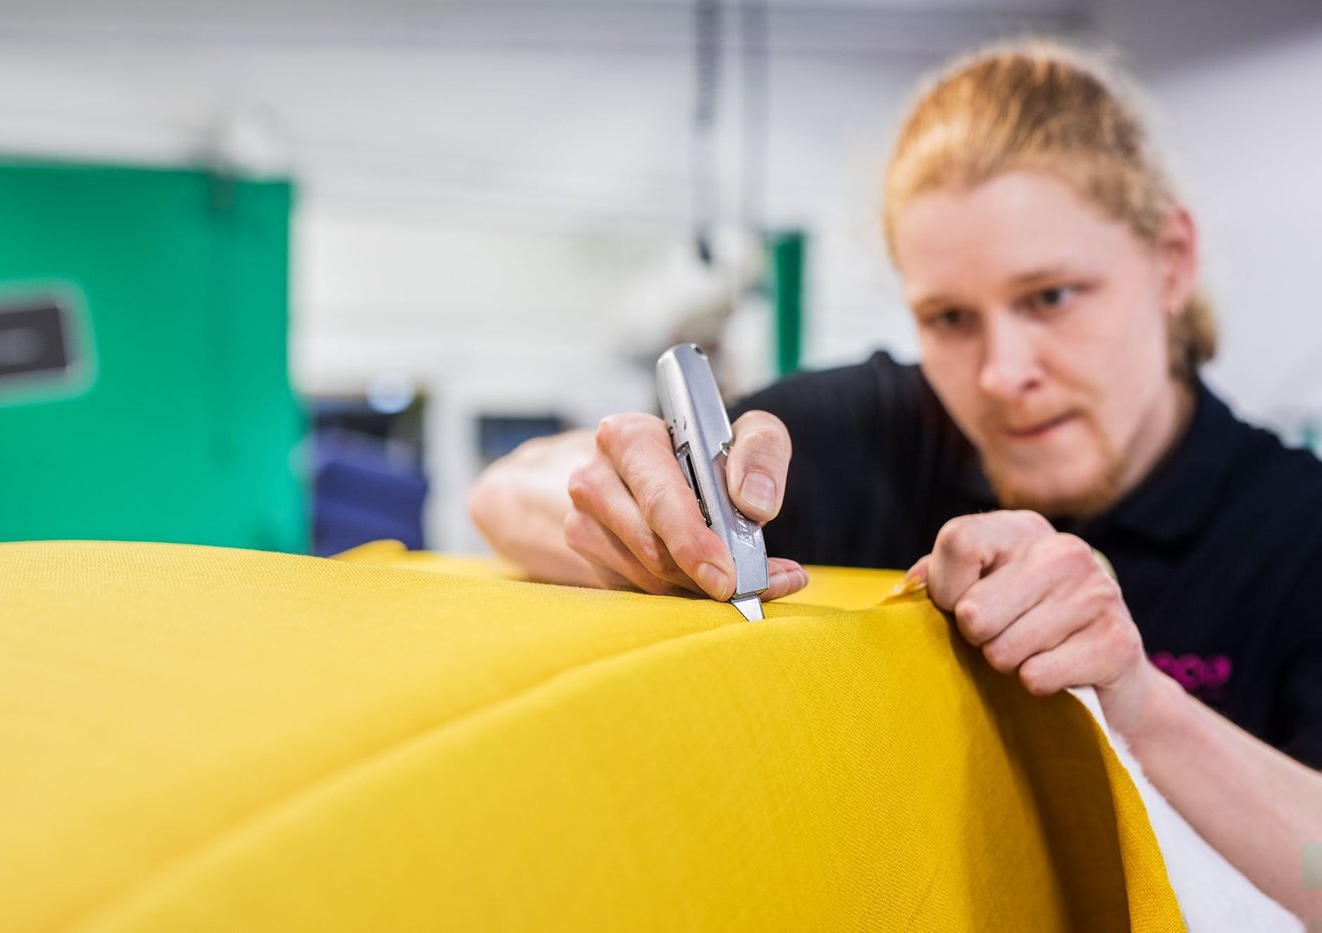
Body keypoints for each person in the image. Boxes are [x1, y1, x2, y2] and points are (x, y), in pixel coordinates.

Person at [469, 40, 1322, 920]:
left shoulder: (1298, 528)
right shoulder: (883, 429)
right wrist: (635, 507)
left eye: (1053, 296)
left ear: (1172, 259)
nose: (1000, 372)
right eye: (950, 318)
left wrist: (1139, 703)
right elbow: (509, 488)